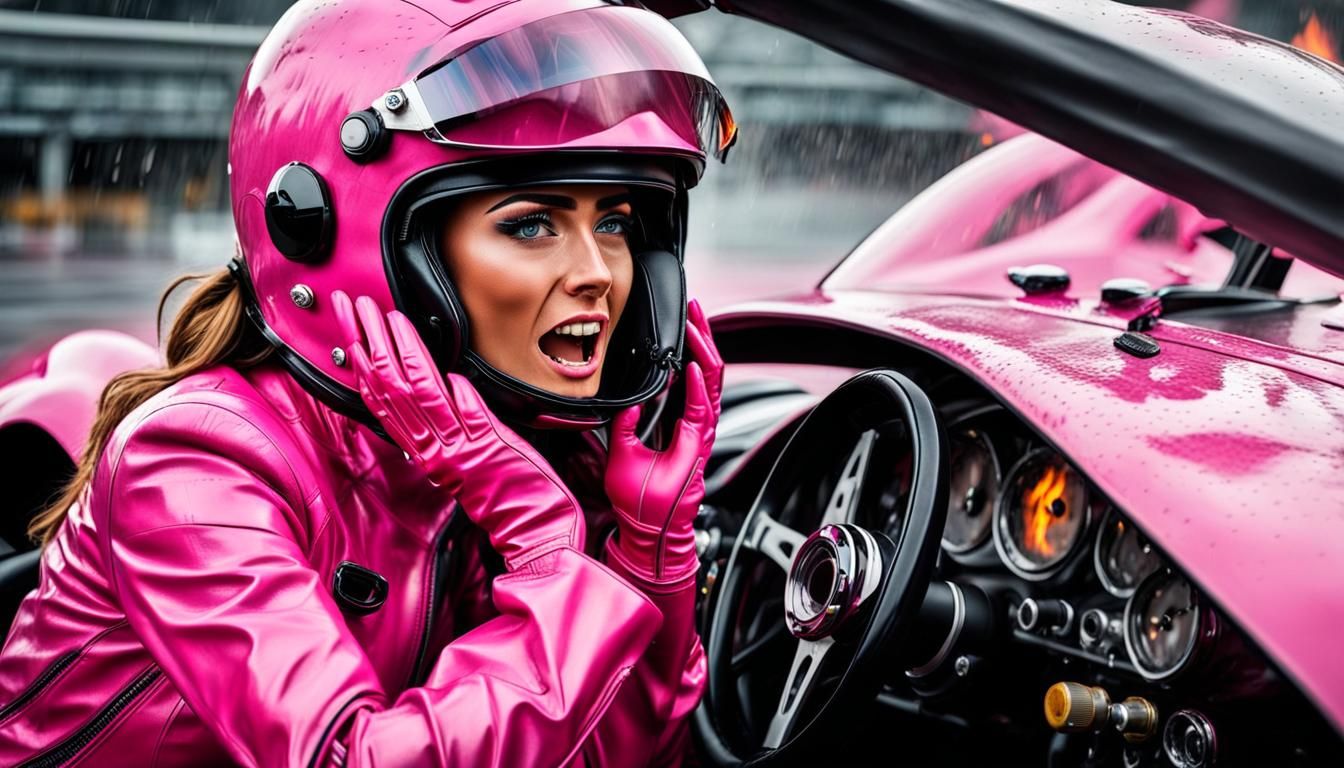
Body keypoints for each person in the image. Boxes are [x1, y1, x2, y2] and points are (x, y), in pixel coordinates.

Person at [0, 1, 737, 765]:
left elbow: (608, 755)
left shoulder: (486, 450)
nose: (597, 275)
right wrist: (548, 546)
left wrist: (649, 553)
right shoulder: (192, 461)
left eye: (615, 223)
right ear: (345, 239)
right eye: (531, 224)